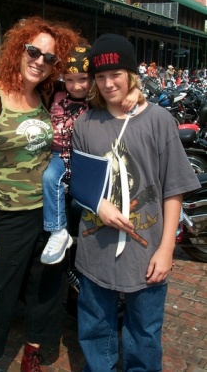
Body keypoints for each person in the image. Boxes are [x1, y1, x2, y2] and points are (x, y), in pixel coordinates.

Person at [0, 16, 81, 372]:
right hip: (8, 214)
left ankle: (32, 353)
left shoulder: (43, 95)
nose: (40, 60)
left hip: (50, 214)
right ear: (19, 49)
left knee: (46, 289)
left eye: (49, 57)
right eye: (33, 51)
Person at [70, 34, 200, 372]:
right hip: (95, 248)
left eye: (116, 74)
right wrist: (98, 205)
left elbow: (173, 189)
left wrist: (166, 249)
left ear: (131, 74)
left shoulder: (158, 120)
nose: (109, 83)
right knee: (96, 328)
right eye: (100, 76)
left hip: (147, 251)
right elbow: (81, 184)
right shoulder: (86, 124)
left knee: (144, 332)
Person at [41, 45, 140, 265]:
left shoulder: (97, 99)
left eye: (83, 79)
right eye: (69, 80)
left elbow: (122, 92)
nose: (76, 86)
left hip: (85, 157)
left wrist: (135, 92)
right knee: (49, 178)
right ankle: (57, 232)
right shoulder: (55, 94)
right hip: (59, 155)